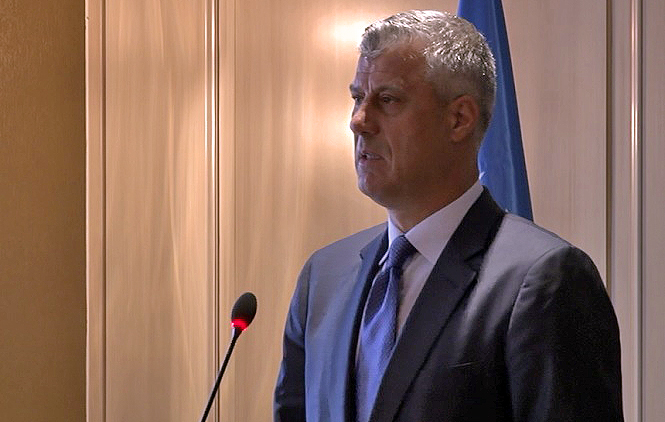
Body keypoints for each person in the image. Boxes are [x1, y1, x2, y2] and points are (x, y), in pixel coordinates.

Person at [274, 10, 623, 422]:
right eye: (357, 98)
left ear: (459, 119)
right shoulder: (324, 277)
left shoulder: (543, 278)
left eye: (387, 100)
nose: (359, 121)